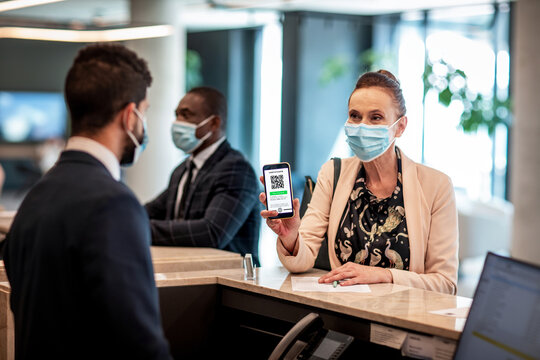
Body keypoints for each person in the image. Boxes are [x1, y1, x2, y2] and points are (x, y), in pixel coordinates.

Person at [3, 43, 172, 359]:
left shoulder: (36, 197)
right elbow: (139, 344)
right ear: (129, 115)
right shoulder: (114, 205)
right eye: (144, 113)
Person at [260, 70, 458, 295]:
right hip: (343, 313)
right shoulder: (333, 173)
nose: (362, 126)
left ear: (400, 126)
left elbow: (445, 283)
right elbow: (301, 262)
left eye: (375, 117)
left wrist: (384, 275)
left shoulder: (436, 185)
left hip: (402, 319)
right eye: (355, 116)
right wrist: (291, 237)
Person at [145, 87, 261, 265]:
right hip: (188, 274)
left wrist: (139, 227)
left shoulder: (236, 169)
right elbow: (150, 211)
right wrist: (124, 217)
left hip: (229, 283)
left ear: (214, 123)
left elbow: (212, 232)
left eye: (186, 115)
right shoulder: (182, 170)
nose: (177, 122)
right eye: (176, 115)